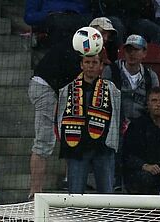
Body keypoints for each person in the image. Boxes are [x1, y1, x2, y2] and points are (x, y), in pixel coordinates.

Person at [27, 18, 113, 199]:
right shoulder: (80, 45)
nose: (104, 37)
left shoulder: (90, 49)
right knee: (46, 141)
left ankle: (70, 179)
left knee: (72, 130)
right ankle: (35, 193)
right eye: (101, 32)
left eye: (107, 34)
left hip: (54, 89)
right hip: (45, 88)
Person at [56, 53, 122, 194]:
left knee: (107, 196)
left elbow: (118, 117)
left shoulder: (112, 89)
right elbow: (59, 118)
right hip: (77, 148)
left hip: (104, 148)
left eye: (94, 62)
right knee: (75, 196)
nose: (91, 66)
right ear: (81, 65)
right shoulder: (67, 89)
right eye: (87, 62)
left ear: (101, 65)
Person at [121, 86, 160, 194]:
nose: (158, 104)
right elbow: (127, 156)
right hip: (142, 175)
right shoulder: (136, 126)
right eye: (154, 100)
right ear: (148, 104)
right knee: (145, 178)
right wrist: (145, 166)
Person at [102, 34, 159, 124]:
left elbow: (154, 104)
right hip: (114, 123)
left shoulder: (151, 76)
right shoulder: (111, 71)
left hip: (141, 125)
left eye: (136, 50)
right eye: (128, 50)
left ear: (144, 53)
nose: (131, 53)